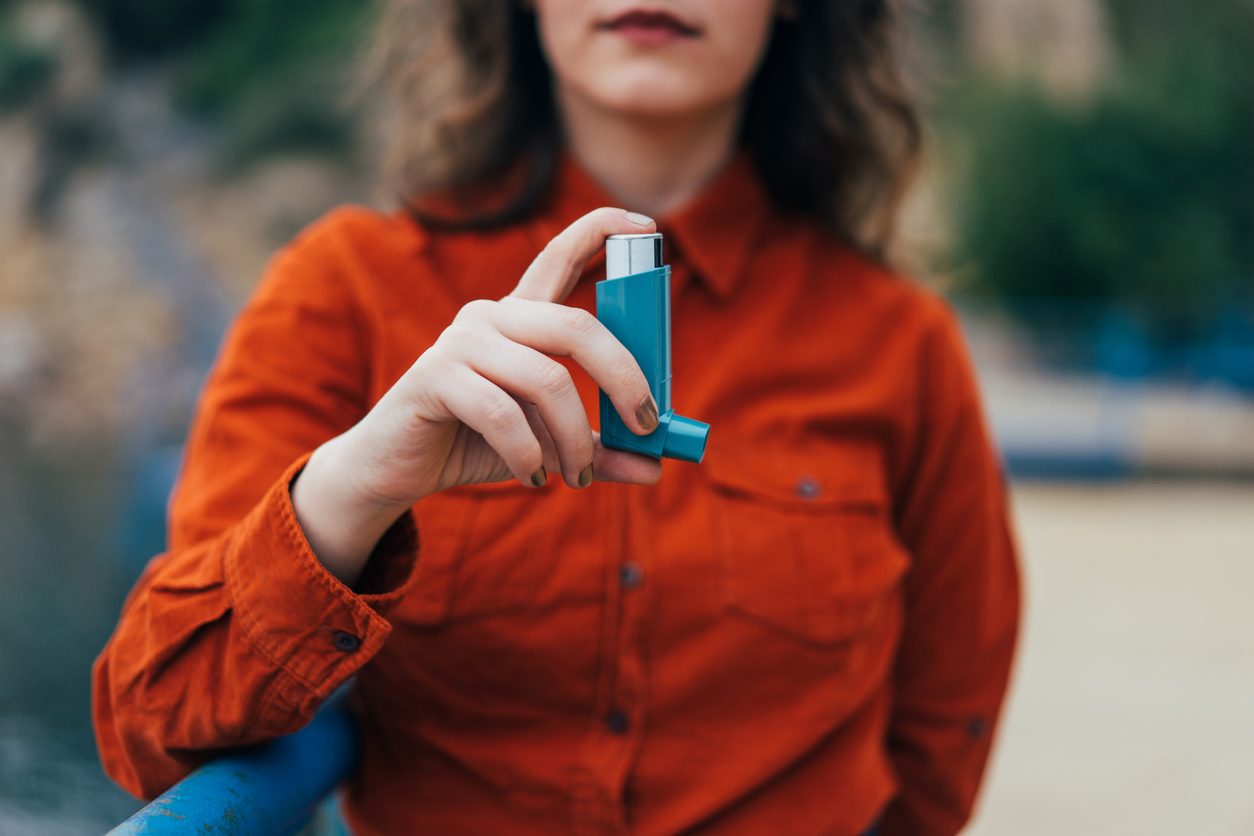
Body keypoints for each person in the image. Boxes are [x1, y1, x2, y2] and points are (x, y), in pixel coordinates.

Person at [93, 2, 1020, 835]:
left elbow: (944, 737)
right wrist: (356, 489)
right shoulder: (343, 292)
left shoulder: (900, 344)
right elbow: (150, 721)